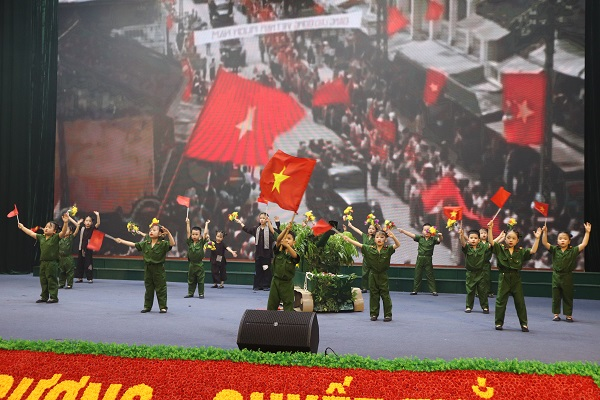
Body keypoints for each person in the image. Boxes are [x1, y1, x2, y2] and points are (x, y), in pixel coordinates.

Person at [488, 221, 541, 332]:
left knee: (520, 302)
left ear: (517, 240)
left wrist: (537, 238)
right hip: (504, 277)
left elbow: (533, 251)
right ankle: (498, 323)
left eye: (513, 238)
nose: (510, 240)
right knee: (500, 301)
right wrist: (490, 229)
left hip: (516, 278)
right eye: (508, 238)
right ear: (505, 239)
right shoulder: (500, 249)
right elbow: (491, 242)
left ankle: (524, 324)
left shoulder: (520, 252)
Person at [115, 223, 175, 313]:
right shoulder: (146, 243)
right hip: (148, 269)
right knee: (149, 288)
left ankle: (163, 307)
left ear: (160, 233)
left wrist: (169, 233)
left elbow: (172, 243)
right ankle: (147, 307)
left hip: (158, 269)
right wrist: (121, 241)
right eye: (150, 230)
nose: (151, 232)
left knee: (161, 288)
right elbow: (134, 244)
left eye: (154, 230)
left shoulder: (163, 244)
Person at [343, 228, 400, 322]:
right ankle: (374, 314)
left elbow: (398, 245)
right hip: (372, 274)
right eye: (377, 237)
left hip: (383, 275)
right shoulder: (369, 249)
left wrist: (393, 237)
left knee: (385, 295)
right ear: (374, 239)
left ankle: (388, 315)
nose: (379, 239)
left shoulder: (388, 249)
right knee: (374, 295)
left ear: (385, 239)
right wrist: (348, 240)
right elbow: (359, 244)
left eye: (382, 237)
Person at [541, 222, 591, 322]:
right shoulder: (555, 249)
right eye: (560, 238)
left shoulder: (573, 251)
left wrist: (587, 232)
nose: (562, 240)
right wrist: (545, 232)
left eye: (565, 239)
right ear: (557, 241)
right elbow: (545, 243)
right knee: (556, 296)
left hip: (567, 276)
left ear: (569, 241)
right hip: (556, 276)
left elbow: (584, 244)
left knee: (568, 296)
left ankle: (568, 315)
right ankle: (556, 315)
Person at [18, 214, 69, 303]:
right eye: (45, 227)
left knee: (52, 280)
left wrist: (65, 222)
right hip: (43, 263)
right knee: (43, 280)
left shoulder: (55, 237)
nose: (46, 228)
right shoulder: (41, 237)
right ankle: (44, 297)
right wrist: (22, 227)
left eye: (49, 227)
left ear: (54, 231)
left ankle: (53, 297)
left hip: (52, 263)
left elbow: (63, 232)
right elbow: (31, 233)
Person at [235, 212, 276, 291]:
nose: (262, 220)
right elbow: (247, 229)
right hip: (258, 254)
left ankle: (266, 285)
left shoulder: (270, 230)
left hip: (266, 254)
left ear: (267, 219)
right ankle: (257, 285)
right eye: (261, 218)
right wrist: (240, 222)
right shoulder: (256, 229)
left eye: (264, 218)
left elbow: (277, 235)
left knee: (266, 270)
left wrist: (275, 223)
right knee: (258, 270)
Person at [399, 223, 443, 296]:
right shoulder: (420, 238)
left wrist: (440, 235)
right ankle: (415, 290)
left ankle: (433, 291)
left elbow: (440, 240)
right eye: (425, 230)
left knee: (430, 275)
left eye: (428, 230)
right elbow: (411, 235)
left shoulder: (433, 239)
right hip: (420, 258)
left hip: (428, 259)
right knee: (417, 274)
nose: (427, 231)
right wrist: (403, 231)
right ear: (422, 231)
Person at [267, 219, 299, 311]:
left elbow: (295, 257)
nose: (286, 240)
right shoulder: (279, 251)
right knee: (272, 304)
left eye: (289, 239)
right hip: (276, 281)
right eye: (285, 238)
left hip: (287, 284)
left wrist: (288, 246)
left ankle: (288, 320)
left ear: (294, 242)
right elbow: (278, 239)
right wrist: (285, 229)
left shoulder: (293, 253)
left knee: (288, 305)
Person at [459, 228, 490, 314]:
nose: (473, 240)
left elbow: (492, 243)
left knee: (482, 291)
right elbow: (462, 243)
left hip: (481, 273)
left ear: (479, 240)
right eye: (471, 238)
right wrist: (461, 235)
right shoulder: (467, 248)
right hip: (470, 274)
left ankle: (485, 307)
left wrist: (500, 236)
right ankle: (469, 306)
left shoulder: (483, 247)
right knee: (470, 291)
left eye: (475, 238)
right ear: (468, 239)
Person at [346, 219, 376, 293]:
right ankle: (364, 288)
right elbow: (358, 230)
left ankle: (374, 288)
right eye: (370, 228)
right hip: (366, 259)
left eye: (373, 229)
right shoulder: (364, 236)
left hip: (374, 259)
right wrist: (351, 226)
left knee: (373, 274)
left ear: (375, 230)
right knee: (364, 274)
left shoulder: (376, 238)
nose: (371, 230)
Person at [184, 218, 210, 299]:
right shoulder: (190, 242)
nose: (194, 236)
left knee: (200, 280)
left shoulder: (201, 242)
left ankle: (201, 294)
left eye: (196, 234)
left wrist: (206, 224)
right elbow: (188, 232)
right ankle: (190, 293)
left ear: (200, 236)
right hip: (191, 264)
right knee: (191, 279)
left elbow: (205, 233)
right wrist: (188, 223)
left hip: (199, 264)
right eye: (193, 234)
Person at [75, 211, 100, 284]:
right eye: (86, 221)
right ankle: (80, 278)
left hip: (88, 249)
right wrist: (69, 218)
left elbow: (98, 223)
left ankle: (89, 278)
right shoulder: (82, 228)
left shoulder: (92, 229)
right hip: (81, 248)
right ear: (84, 222)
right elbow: (76, 223)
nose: (88, 222)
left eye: (89, 221)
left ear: (91, 223)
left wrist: (97, 215)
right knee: (80, 263)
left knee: (88, 263)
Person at [58, 216, 82, 289]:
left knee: (69, 272)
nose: (64, 231)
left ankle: (69, 284)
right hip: (61, 258)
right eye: (64, 230)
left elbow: (76, 232)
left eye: (66, 230)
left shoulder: (70, 238)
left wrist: (78, 225)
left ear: (70, 232)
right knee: (61, 271)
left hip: (68, 258)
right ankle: (61, 283)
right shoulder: (60, 238)